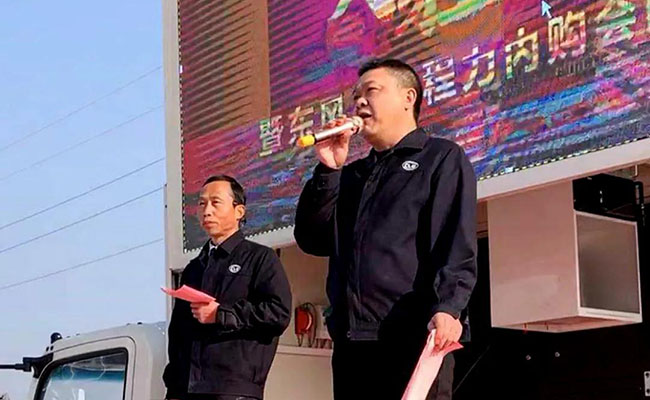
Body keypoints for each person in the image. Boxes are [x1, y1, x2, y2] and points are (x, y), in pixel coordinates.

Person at [294, 58, 477, 399]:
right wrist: (328, 171)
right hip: (353, 343)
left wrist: (448, 307)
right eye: (356, 96)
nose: (360, 102)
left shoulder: (439, 157)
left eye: (371, 91)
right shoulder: (352, 175)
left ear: (408, 97)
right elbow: (313, 239)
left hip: (415, 336)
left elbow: (455, 243)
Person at [163, 175, 292, 400]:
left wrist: (221, 315)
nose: (206, 211)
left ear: (239, 211)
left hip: (234, 390)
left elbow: (278, 313)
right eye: (202, 203)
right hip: (189, 391)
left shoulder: (260, 258)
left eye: (215, 202)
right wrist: (173, 390)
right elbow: (178, 335)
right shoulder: (194, 268)